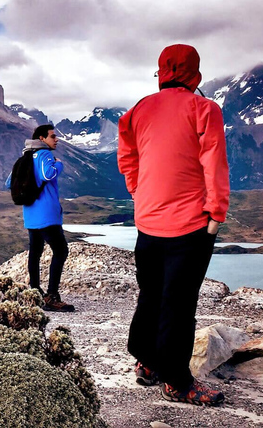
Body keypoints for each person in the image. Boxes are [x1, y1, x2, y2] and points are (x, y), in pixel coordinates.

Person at [118, 44, 230, 406]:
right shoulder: (205, 109)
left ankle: (147, 362)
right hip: (189, 226)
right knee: (179, 303)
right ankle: (177, 381)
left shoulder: (137, 110)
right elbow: (214, 163)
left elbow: (128, 157)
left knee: (150, 293)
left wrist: (139, 193)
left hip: (148, 222)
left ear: (162, 72)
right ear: (194, 73)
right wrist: (215, 215)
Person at [8, 124, 74, 312]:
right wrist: (59, 164)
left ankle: (35, 292)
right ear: (42, 138)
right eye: (53, 136)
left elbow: (9, 182)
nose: (57, 139)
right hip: (47, 215)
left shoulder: (25, 157)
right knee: (60, 250)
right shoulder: (45, 154)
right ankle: (52, 296)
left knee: (35, 252)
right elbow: (48, 173)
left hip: (31, 215)